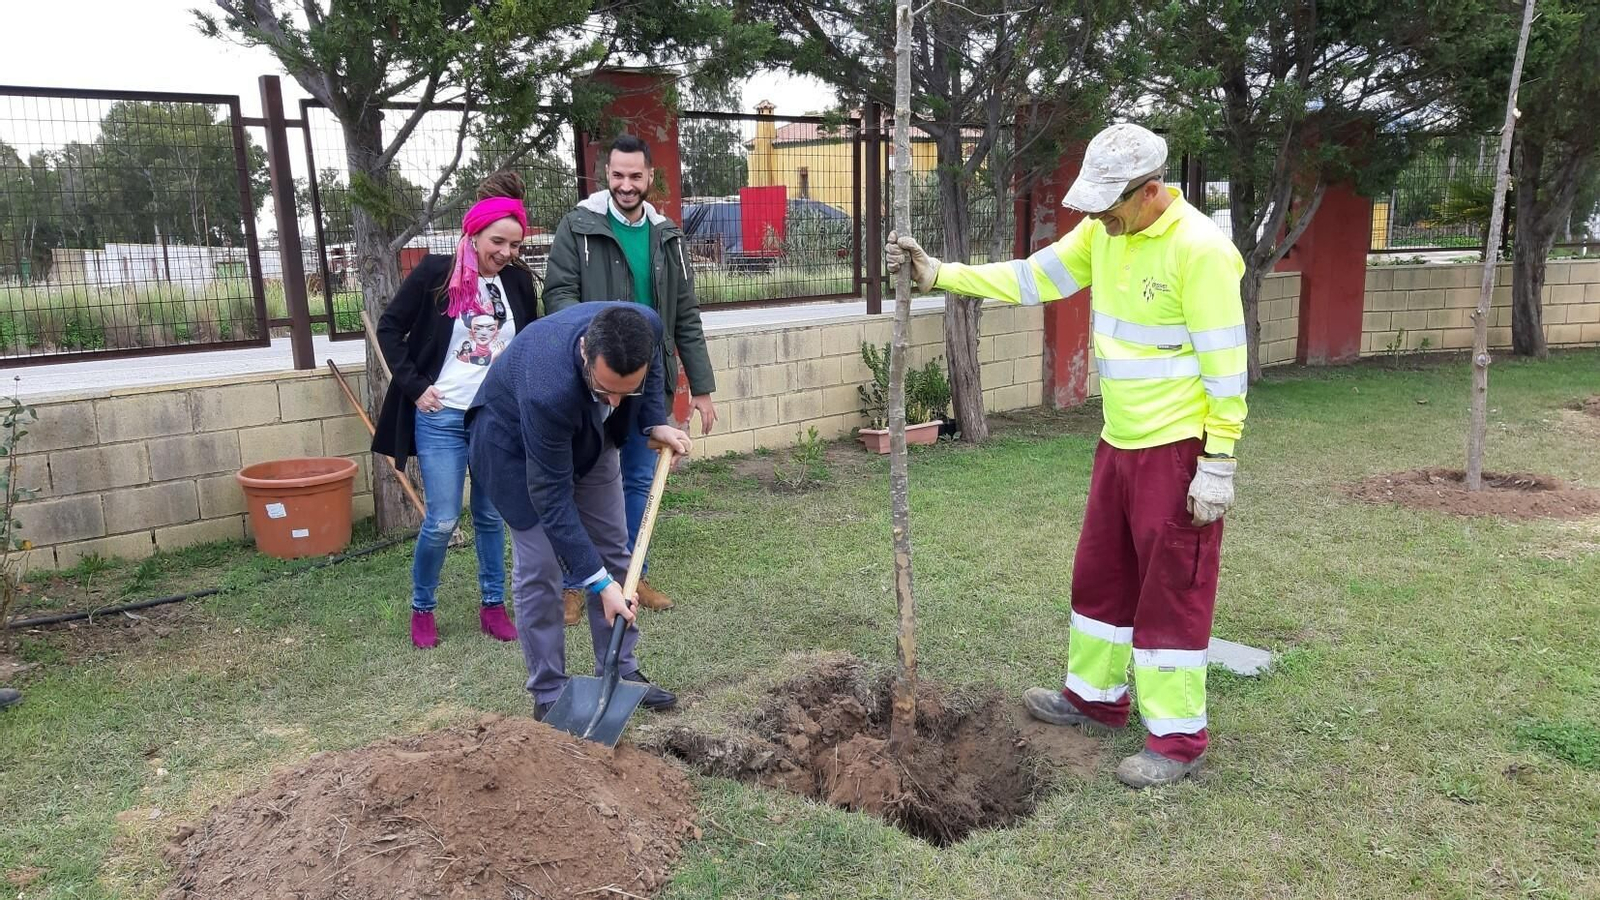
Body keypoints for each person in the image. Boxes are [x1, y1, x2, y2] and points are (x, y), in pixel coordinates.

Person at [886, 123, 1248, 788]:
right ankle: (1095, 696)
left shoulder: (1200, 251)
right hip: (1118, 443)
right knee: (1100, 574)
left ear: (1149, 192)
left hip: (1177, 451)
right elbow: (1034, 277)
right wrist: (942, 273)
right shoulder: (1103, 235)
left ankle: (1177, 739)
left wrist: (1218, 460)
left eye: (1111, 205)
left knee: (1172, 592)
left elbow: (1227, 368)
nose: (1100, 218)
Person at [466, 302, 692, 718]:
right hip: (512, 448)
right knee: (540, 567)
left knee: (614, 550)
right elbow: (552, 497)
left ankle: (621, 673)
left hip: (590, 436)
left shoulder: (647, 326)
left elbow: (656, 367)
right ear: (586, 350)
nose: (614, 400)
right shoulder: (547, 388)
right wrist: (598, 584)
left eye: (626, 392)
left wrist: (653, 421)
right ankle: (550, 691)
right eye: (605, 388)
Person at [543, 134, 718, 623]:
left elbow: (685, 313)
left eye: (635, 176)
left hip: (649, 380)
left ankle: (626, 573)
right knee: (581, 482)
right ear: (607, 176)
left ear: (649, 178)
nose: (626, 185)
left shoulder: (667, 235)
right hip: (592, 382)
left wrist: (700, 387)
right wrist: (589, 361)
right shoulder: (578, 228)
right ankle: (573, 583)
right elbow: (558, 299)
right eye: (617, 176)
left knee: (640, 482)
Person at [373, 171, 540, 649]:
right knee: (443, 518)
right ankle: (423, 609)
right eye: (498, 242)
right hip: (442, 418)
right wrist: (415, 386)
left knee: (491, 516)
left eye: (514, 245)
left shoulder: (518, 283)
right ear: (474, 232)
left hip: (496, 419)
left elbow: (529, 342)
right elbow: (389, 329)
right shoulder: (435, 274)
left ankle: (492, 606)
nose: (506, 253)